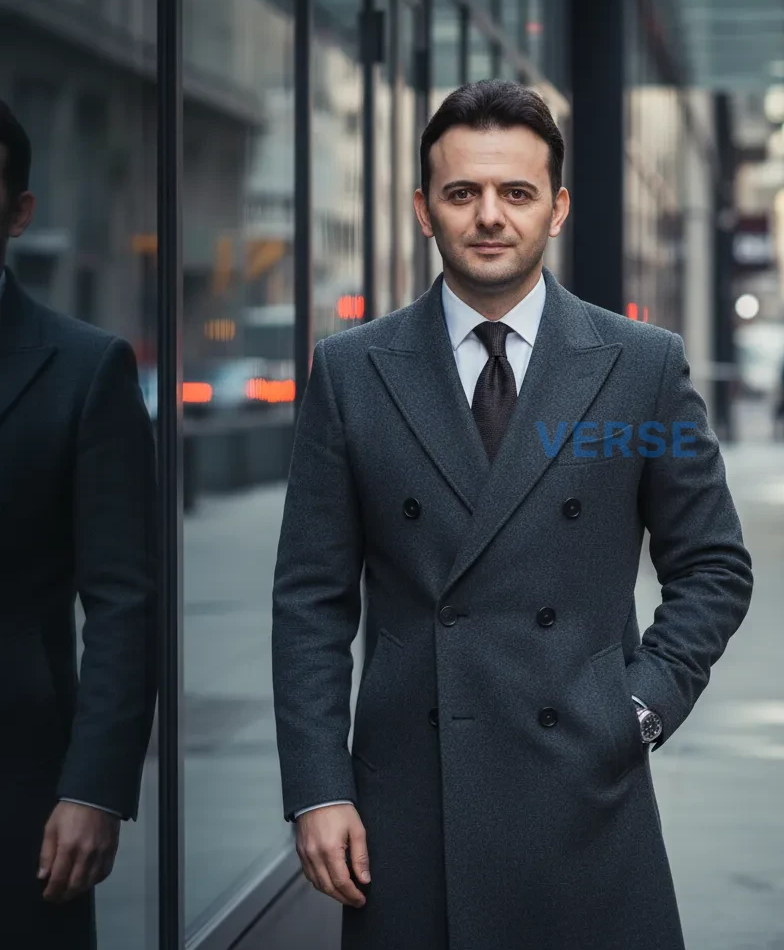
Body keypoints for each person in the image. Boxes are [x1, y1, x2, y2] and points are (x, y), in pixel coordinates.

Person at [272, 80, 754, 950]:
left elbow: (714, 565)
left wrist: (638, 708)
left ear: (557, 208)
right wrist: (317, 786)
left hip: (584, 787)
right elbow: (311, 601)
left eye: (516, 193)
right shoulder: (350, 370)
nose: (489, 215)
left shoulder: (640, 365)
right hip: (410, 800)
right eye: (463, 193)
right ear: (424, 209)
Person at [0, 100, 158, 947]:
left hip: (17, 786)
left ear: (17, 212)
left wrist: (94, 788)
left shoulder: (84, 368)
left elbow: (126, 600)